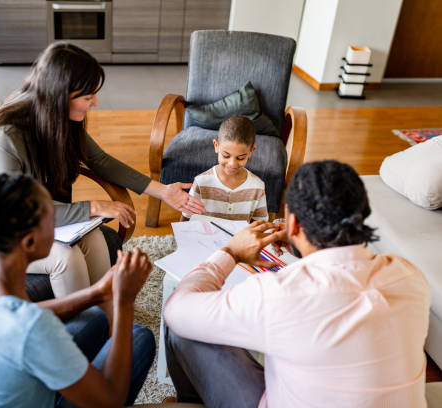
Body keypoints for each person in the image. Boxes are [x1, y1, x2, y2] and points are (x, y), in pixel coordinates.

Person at [0, 42, 205, 307]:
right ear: (60, 95)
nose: (96, 103)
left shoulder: (58, 118)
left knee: (95, 239)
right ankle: (80, 329)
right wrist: (93, 206)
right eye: (88, 97)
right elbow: (16, 211)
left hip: (38, 217)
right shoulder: (5, 134)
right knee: (67, 258)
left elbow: (99, 160)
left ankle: (107, 317)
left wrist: (163, 191)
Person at [164, 160, 431, 408]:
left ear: (292, 223)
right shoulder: (409, 277)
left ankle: (190, 403)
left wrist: (231, 252)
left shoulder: (279, 294)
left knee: (182, 316)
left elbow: (177, 311)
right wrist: (298, 241)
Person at [0, 173, 155, 408]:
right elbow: (111, 400)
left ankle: (72, 382)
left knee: (96, 317)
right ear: (29, 242)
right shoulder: (31, 329)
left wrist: (96, 293)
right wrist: (124, 301)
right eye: (52, 218)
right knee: (139, 337)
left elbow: (17, 317)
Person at [182, 115, 267, 222]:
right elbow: (186, 218)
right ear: (216, 145)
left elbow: (260, 225)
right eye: (226, 156)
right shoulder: (201, 182)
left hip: (241, 239)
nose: (232, 164)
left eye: (241, 158)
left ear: (251, 151)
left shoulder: (257, 187)